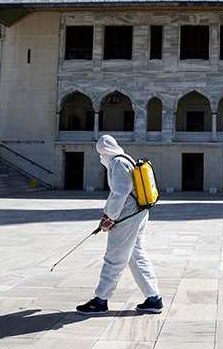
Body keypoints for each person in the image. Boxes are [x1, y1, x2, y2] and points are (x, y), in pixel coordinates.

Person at [75, 135, 163, 315]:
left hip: (128, 216)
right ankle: (153, 298)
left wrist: (110, 216)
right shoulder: (125, 159)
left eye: (100, 152)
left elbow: (120, 193)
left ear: (104, 150)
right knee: (136, 256)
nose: (100, 156)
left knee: (114, 258)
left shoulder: (118, 162)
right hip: (137, 213)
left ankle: (100, 300)